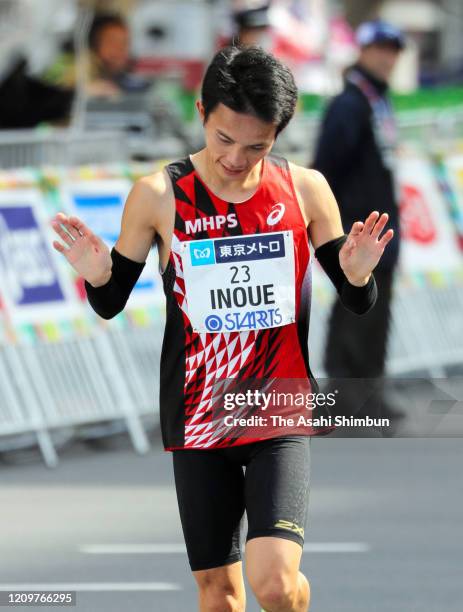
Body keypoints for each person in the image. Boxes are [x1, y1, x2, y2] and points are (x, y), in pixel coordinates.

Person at [51, 46, 393, 612]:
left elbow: (358, 300)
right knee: (219, 597)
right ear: (202, 112)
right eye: (223, 139)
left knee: (278, 587)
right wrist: (97, 275)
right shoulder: (159, 195)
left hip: (277, 410)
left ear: (279, 133)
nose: (236, 158)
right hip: (198, 415)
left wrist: (357, 275)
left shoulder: (305, 190)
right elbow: (110, 301)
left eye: (256, 145)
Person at [312, 20, 406, 428]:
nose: (387, 58)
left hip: (379, 231)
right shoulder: (350, 103)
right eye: (380, 49)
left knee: (375, 311)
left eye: (393, 50)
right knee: (355, 311)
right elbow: (326, 170)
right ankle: (344, 404)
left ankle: (368, 397)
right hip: (356, 232)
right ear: (362, 52)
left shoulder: (377, 101)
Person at [44, 12, 148, 97]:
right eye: (112, 42)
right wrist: (84, 91)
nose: (120, 50)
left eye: (124, 43)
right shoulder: (79, 65)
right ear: (94, 43)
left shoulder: (127, 78)